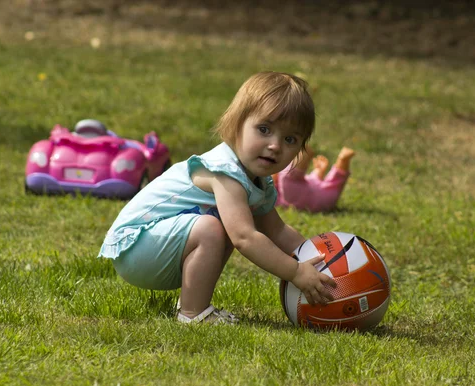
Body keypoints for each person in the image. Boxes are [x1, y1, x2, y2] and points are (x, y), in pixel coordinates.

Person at [98, 72, 337, 324]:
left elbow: (276, 231)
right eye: (264, 129)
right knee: (217, 228)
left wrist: (323, 258)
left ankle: (192, 299)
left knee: (224, 224)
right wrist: (296, 271)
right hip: (135, 248)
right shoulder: (226, 172)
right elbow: (245, 238)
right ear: (236, 125)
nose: (275, 145)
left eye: (289, 139)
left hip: (157, 248)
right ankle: (192, 313)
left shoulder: (257, 180)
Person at [272, 146, 355, 213]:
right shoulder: (272, 194)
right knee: (288, 178)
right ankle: (304, 152)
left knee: (335, 183)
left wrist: (318, 171)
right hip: (305, 199)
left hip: (321, 198)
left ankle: (343, 159)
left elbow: (312, 183)